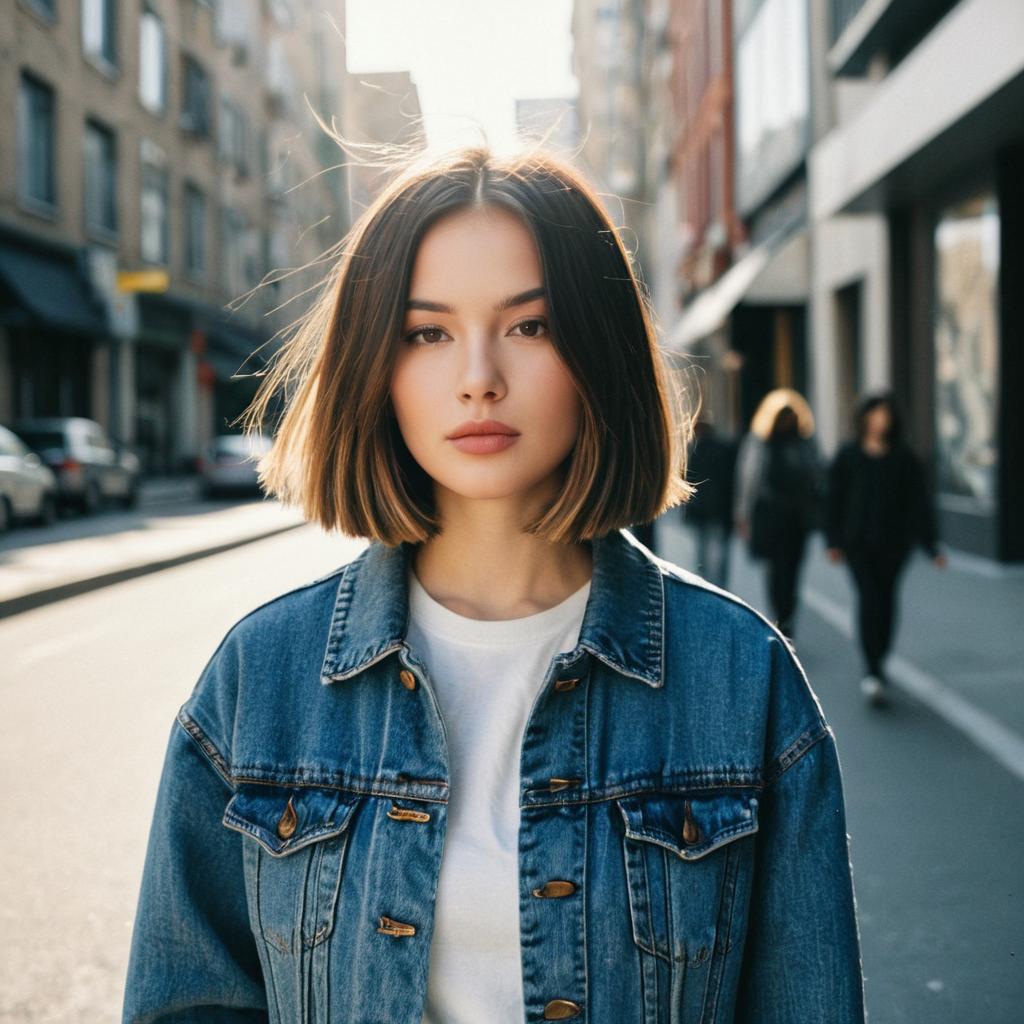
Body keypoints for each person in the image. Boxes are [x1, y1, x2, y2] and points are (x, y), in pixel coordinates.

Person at [122, 148, 865, 1023]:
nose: (479, 378)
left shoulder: (740, 677)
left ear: (599, 350)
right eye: (427, 333)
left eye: (531, 326)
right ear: (376, 365)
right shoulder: (261, 677)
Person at [826, 392, 946, 707]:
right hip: (858, 545)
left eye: (886, 416)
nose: (881, 422)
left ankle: (880, 658)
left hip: (894, 545)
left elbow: (919, 504)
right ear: (864, 419)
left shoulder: (905, 458)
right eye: (876, 415)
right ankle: (872, 669)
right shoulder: (848, 455)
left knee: (887, 601)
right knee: (869, 600)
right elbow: (834, 499)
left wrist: (931, 546)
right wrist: (833, 541)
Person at [734, 388, 823, 639]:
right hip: (782, 519)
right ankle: (783, 617)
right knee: (784, 570)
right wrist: (743, 514)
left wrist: (742, 515)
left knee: (783, 570)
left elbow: (748, 480)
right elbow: (750, 480)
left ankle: (783, 616)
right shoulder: (785, 443)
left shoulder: (796, 444)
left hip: (789, 518)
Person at [683, 418, 738, 588]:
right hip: (720, 507)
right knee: (720, 547)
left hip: (701, 507)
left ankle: (703, 580)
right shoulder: (724, 448)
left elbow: (689, 480)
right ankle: (721, 583)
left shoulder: (696, 450)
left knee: (703, 545)